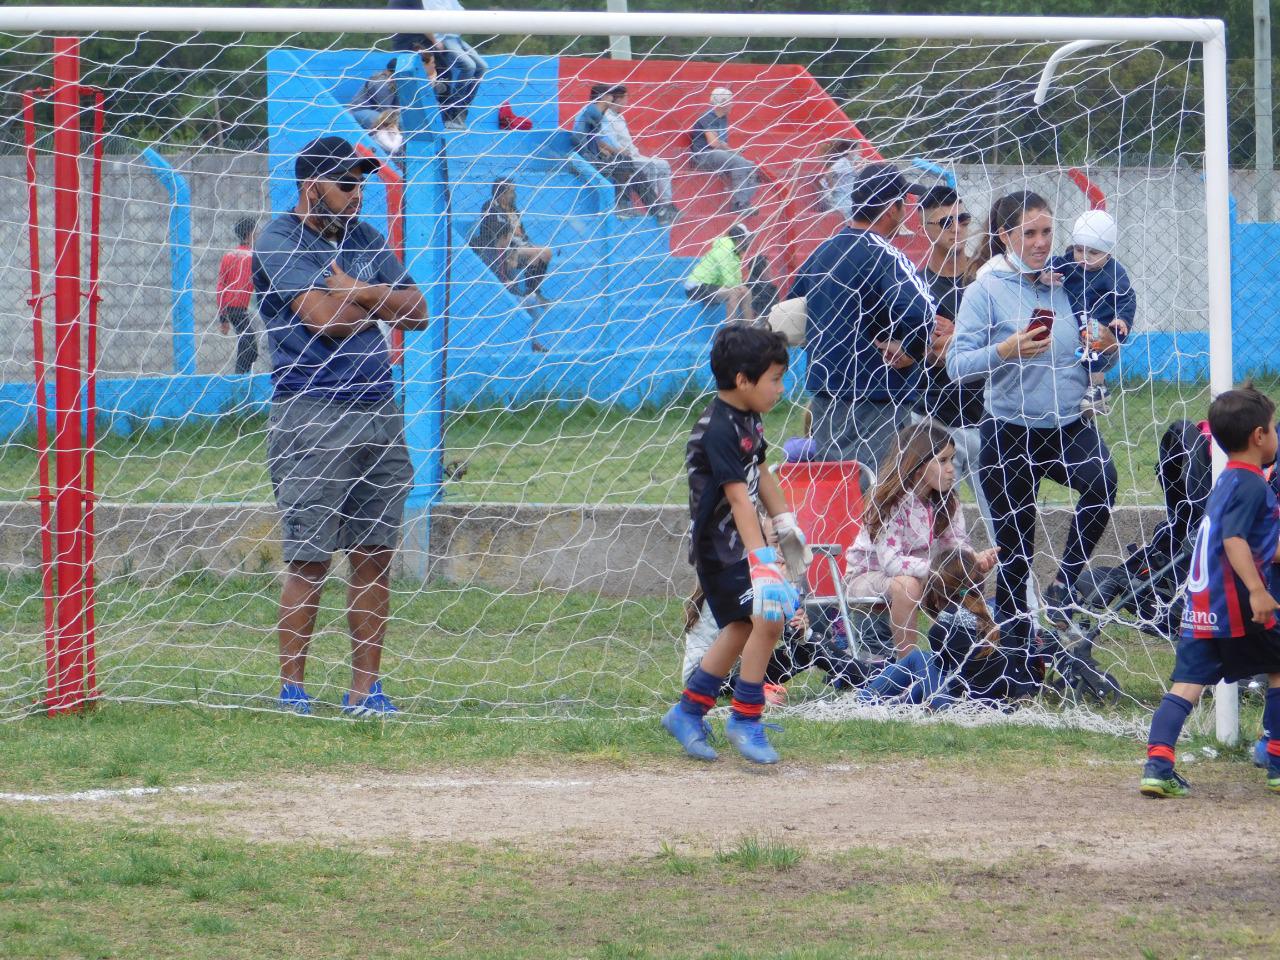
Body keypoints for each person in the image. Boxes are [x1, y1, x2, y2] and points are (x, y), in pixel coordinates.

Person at [252, 136, 429, 717]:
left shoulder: (365, 241)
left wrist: (357, 290)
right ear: (313, 189)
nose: (358, 197)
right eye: (347, 185)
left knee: (375, 553)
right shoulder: (278, 238)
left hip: (380, 410)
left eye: (363, 184)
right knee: (310, 557)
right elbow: (323, 320)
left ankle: (365, 691)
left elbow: (420, 311)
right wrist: (376, 302)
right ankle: (293, 690)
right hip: (313, 415)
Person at [946, 190, 1119, 667]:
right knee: (1016, 551)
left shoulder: (1069, 281)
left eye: (1047, 231)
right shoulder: (986, 289)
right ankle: (1020, 654)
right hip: (1008, 432)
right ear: (1006, 236)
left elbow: (1093, 350)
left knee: (1102, 480)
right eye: (1030, 233)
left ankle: (1065, 583)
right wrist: (1005, 350)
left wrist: (1106, 346)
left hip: (1066, 426)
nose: (1043, 242)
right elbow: (956, 365)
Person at [662, 322, 809, 765]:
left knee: (745, 626)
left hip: (739, 548)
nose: (782, 388)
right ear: (743, 381)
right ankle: (745, 718)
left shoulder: (749, 416)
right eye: (775, 379)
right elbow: (738, 499)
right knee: (768, 618)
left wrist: (785, 522)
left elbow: (761, 472)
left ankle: (688, 711)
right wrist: (763, 562)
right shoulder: (718, 428)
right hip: (720, 550)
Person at [1140, 386, 1280, 799]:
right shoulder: (1252, 485)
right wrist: (1256, 590)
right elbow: (1235, 541)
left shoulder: (1228, 481)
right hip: (1236, 603)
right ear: (1259, 436)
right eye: (1274, 428)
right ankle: (1275, 759)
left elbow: (1252, 541)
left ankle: (1158, 765)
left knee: (1185, 686)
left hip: (1202, 606)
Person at [792, 162, 936, 477]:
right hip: (877, 395)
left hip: (826, 393)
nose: (906, 212)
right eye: (904, 204)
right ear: (891, 208)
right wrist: (910, 349)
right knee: (877, 488)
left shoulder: (823, 252)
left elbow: (791, 311)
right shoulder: (885, 255)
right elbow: (921, 312)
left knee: (836, 486)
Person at [843, 421, 997, 662]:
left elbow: (955, 542)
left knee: (962, 575)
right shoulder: (890, 502)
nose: (951, 469)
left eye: (953, 459)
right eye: (942, 460)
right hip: (868, 576)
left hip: (924, 574)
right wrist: (938, 570)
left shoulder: (948, 502)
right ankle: (908, 666)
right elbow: (891, 563)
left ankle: (965, 659)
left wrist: (970, 560)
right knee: (908, 585)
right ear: (917, 466)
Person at [915, 185, 991, 534]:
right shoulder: (916, 286)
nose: (956, 228)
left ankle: (1021, 590)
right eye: (945, 222)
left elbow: (1009, 341)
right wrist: (931, 350)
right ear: (925, 229)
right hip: (935, 419)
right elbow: (915, 354)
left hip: (988, 416)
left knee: (1003, 524)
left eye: (962, 219)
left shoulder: (987, 279)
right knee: (938, 527)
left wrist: (958, 338)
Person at [1047, 209, 1137, 418]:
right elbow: (1054, 263)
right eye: (1079, 250)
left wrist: (1121, 319)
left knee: (1093, 343)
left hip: (1100, 323)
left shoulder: (1114, 272)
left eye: (1093, 253)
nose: (1084, 258)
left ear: (1108, 253)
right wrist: (1046, 272)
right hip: (1074, 321)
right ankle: (1079, 391)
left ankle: (1098, 389)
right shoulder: (1071, 262)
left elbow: (1126, 298)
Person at [469, 178, 553, 348]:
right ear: (501, 193)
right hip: (506, 248)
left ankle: (532, 290)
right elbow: (500, 231)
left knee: (545, 253)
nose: (514, 194)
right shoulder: (490, 207)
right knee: (536, 254)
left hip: (516, 245)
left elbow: (521, 233)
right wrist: (511, 234)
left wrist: (518, 235)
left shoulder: (514, 209)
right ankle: (531, 337)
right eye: (511, 190)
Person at [386, 0, 485, 130]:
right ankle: (451, 113)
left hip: (448, 37)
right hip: (425, 39)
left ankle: (458, 111)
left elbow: (460, 13)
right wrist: (435, 41)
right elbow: (424, 21)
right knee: (463, 67)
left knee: (481, 67)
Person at [572, 83, 658, 217]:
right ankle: (641, 207)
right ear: (605, 97)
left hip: (594, 156)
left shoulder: (596, 112)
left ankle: (646, 208)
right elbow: (585, 138)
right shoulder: (591, 111)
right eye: (611, 95)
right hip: (587, 160)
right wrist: (605, 152)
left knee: (632, 170)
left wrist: (604, 150)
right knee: (625, 163)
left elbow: (594, 138)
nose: (613, 98)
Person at [602, 84, 677, 225]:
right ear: (618, 99)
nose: (627, 101)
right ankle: (655, 208)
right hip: (623, 158)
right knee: (651, 166)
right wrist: (623, 151)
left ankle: (667, 204)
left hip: (634, 154)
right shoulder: (607, 118)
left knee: (664, 164)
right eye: (625, 98)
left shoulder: (621, 117)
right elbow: (612, 142)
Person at [689, 87, 760, 218]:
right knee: (738, 162)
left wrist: (734, 151)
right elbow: (714, 143)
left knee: (752, 166)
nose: (732, 104)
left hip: (717, 155)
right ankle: (739, 204)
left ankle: (744, 201)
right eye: (730, 101)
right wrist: (732, 152)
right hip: (704, 156)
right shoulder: (707, 117)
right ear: (723, 103)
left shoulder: (723, 118)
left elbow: (722, 143)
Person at [684, 222, 756, 322]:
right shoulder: (724, 250)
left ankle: (749, 328)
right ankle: (731, 333)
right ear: (739, 239)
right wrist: (738, 287)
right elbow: (728, 278)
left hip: (712, 286)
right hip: (697, 287)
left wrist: (740, 287)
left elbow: (735, 276)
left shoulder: (735, 252)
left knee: (746, 292)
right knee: (734, 293)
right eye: (746, 239)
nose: (748, 242)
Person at [217, 217, 258, 375]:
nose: (258, 235)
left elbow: (221, 285)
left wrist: (223, 317)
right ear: (249, 235)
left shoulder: (229, 255)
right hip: (237, 307)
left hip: (231, 306)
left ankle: (243, 375)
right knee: (248, 344)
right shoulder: (253, 256)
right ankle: (239, 377)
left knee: (250, 345)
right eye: (255, 232)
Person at [350, 61, 398, 131]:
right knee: (385, 122)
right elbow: (386, 111)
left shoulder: (394, 82)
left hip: (377, 111)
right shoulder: (383, 84)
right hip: (359, 111)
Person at [821, 138, 860, 219]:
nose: (860, 153)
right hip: (839, 198)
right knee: (853, 211)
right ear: (849, 151)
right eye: (858, 150)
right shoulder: (843, 162)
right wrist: (833, 188)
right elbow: (829, 173)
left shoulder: (849, 163)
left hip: (846, 197)